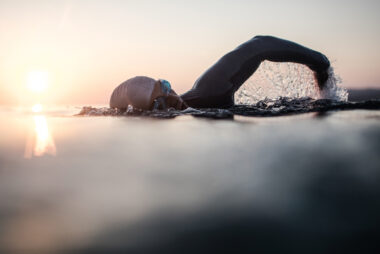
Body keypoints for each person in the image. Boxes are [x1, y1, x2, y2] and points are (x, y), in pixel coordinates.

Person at [110, 35, 330, 110]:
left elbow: (259, 44)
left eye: (165, 86)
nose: (171, 97)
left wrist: (320, 64)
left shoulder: (210, 91)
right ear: (150, 113)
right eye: (159, 103)